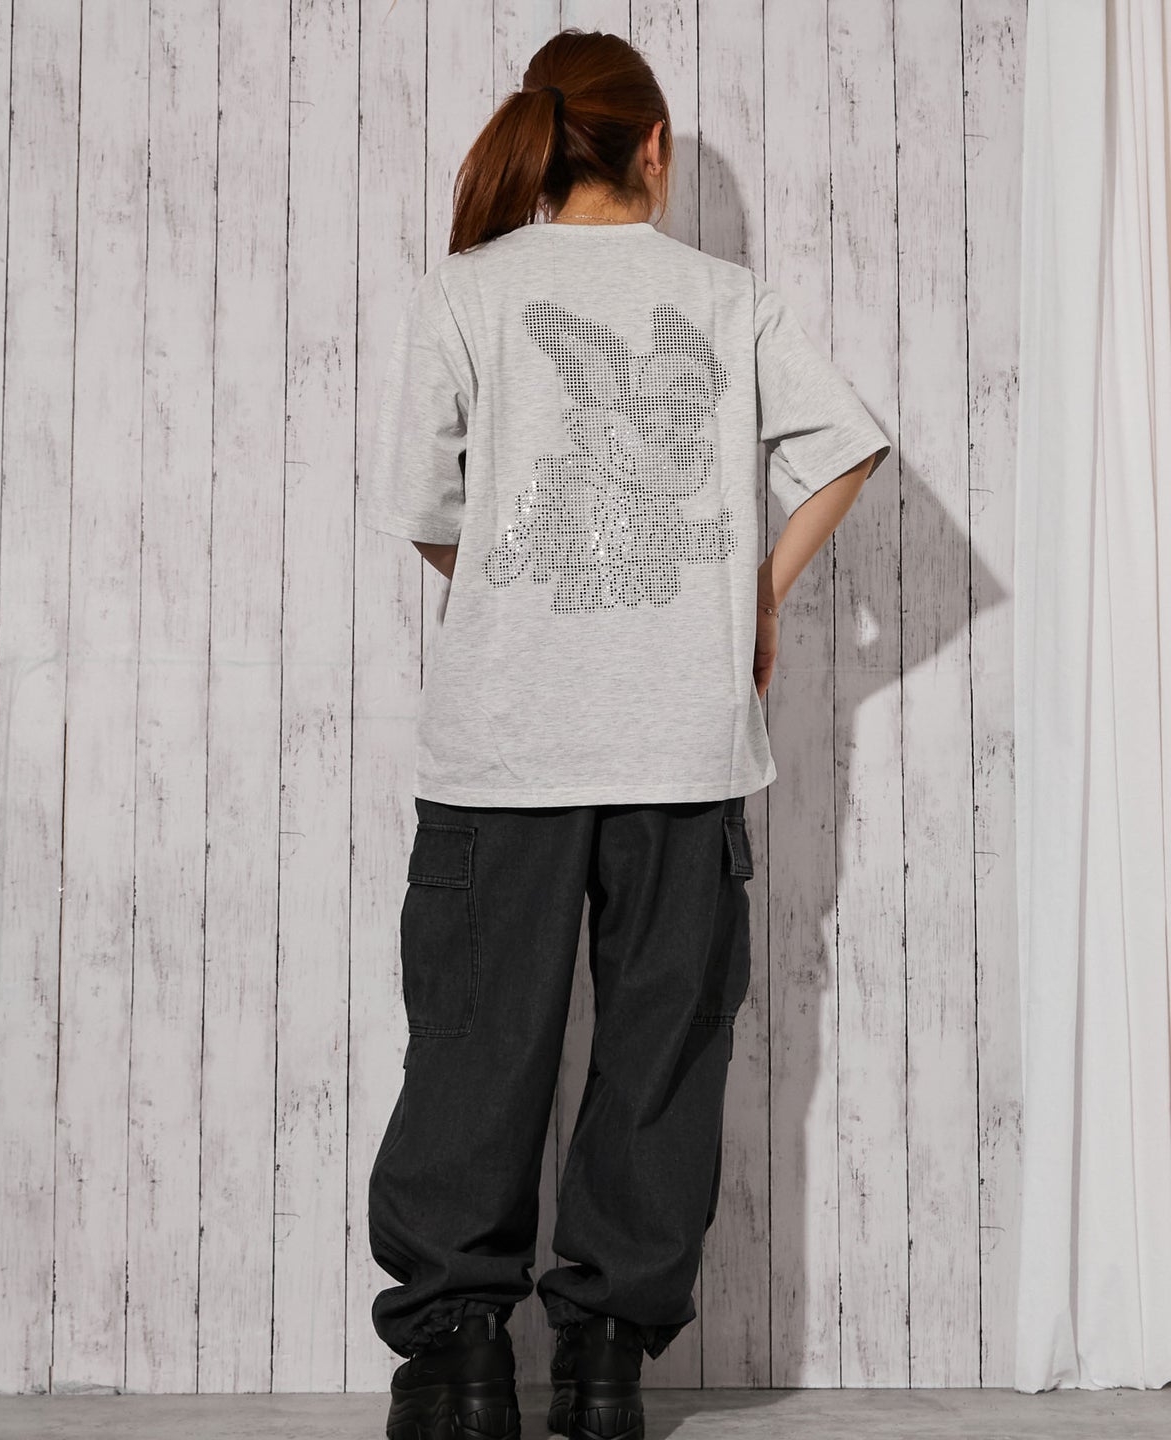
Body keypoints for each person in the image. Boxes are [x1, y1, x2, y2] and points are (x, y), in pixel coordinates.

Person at [364, 26, 891, 1440]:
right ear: (653, 147)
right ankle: (604, 1374)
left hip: (500, 757)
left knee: (475, 1051)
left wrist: (517, 593)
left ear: (547, 143)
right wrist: (757, 596)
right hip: (681, 750)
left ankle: (459, 1367)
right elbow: (847, 446)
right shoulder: (728, 297)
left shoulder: (466, 292)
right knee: (659, 1059)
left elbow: (425, 513)